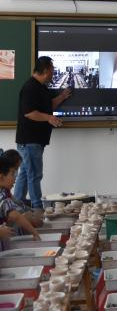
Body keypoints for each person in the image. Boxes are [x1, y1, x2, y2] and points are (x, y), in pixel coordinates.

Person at [15, 56, 71, 212]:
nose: (54, 73)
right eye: (52, 71)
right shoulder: (30, 88)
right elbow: (29, 113)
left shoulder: (41, 87)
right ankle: (38, 208)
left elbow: (48, 105)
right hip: (30, 140)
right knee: (34, 174)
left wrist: (62, 96)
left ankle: (15, 207)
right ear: (45, 71)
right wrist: (49, 118)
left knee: (25, 174)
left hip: (35, 140)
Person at [0, 154, 41, 245]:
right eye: (13, 174)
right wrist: (35, 233)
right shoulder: (3, 196)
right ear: (1, 177)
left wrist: (30, 212)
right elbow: (16, 216)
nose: (15, 179)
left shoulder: (5, 193)